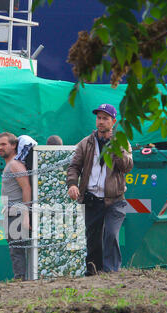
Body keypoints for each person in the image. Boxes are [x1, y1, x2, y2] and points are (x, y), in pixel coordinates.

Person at [66, 103, 133, 276]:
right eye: (99, 118)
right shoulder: (85, 143)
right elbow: (74, 167)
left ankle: (112, 273)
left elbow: (126, 166)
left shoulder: (122, 141)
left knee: (111, 234)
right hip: (92, 199)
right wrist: (72, 184)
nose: (101, 121)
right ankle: (93, 273)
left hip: (116, 200)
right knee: (93, 241)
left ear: (113, 121)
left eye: (105, 118)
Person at [0, 132, 31, 281]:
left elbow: (26, 188)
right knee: (14, 248)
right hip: (10, 213)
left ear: (13, 146)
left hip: (17, 214)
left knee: (16, 249)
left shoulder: (15, 165)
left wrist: (25, 216)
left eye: (4, 144)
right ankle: (19, 278)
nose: (0, 147)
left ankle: (20, 280)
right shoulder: (10, 165)